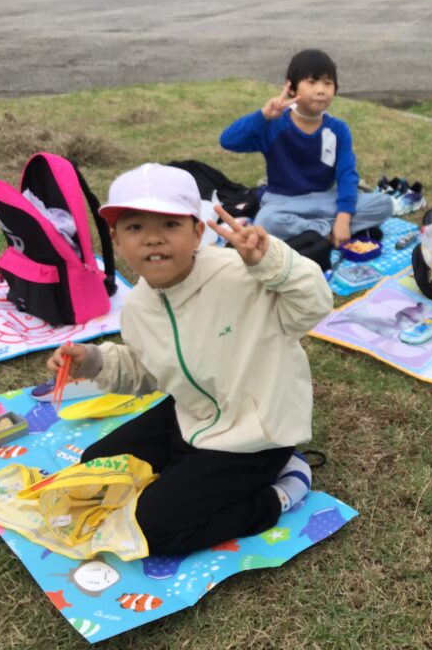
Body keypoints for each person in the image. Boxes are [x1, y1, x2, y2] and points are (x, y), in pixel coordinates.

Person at [46, 163, 333, 555]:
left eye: (169, 225)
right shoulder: (139, 306)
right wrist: (93, 362)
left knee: (151, 529)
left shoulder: (244, 275)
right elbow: (148, 369)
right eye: (135, 227)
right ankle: (191, 475)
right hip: (192, 414)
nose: (153, 239)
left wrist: (274, 262)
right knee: (95, 468)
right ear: (116, 239)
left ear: (197, 231)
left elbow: (314, 303)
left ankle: (280, 492)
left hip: (257, 433)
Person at [219, 49, 393, 246]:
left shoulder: (338, 129)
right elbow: (228, 141)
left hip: (326, 199)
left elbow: (347, 175)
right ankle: (329, 232)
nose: (321, 90)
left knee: (384, 204)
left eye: (328, 83)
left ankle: (316, 232)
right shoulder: (274, 126)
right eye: (312, 82)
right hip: (284, 202)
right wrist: (263, 116)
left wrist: (344, 218)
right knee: (266, 221)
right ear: (292, 88)